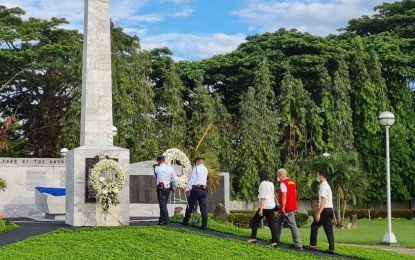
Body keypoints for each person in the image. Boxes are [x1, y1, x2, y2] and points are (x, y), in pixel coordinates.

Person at [306, 169, 335, 254]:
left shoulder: (323, 187)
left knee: (314, 226)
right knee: (328, 229)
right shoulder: (327, 186)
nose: (317, 177)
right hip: (329, 210)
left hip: (325, 210)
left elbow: (323, 201)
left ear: (321, 176)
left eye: (317, 175)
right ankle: (331, 248)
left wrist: (318, 213)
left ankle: (313, 245)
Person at [247, 170, 278, 247]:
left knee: (254, 221)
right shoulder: (271, 183)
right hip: (272, 206)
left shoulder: (263, 184)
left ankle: (253, 238)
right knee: (272, 224)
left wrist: (261, 209)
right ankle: (274, 242)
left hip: (265, 206)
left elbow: (263, 197)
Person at [275, 168, 303, 250]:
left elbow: (284, 195)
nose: (278, 177)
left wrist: (283, 207)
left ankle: (298, 244)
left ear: (280, 175)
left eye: (278, 175)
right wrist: (294, 207)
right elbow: (294, 195)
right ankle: (276, 239)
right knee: (279, 222)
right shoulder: (292, 183)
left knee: (292, 225)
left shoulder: (283, 183)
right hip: (291, 206)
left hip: (286, 208)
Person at [181, 157, 209, 230]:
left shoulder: (196, 168)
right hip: (204, 190)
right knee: (203, 208)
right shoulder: (206, 169)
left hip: (197, 189)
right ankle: (204, 225)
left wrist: (186, 189)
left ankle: (185, 221)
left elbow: (192, 180)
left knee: (189, 205)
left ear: (197, 161)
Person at [154, 155, 178, 226]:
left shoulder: (156, 168)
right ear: (164, 160)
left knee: (162, 205)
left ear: (158, 161)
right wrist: (174, 187)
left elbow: (154, 176)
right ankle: (161, 220)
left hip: (161, 188)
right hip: (168, 188)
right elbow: (175, 179)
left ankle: (166, 221)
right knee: (163, 204)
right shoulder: (170, 168)